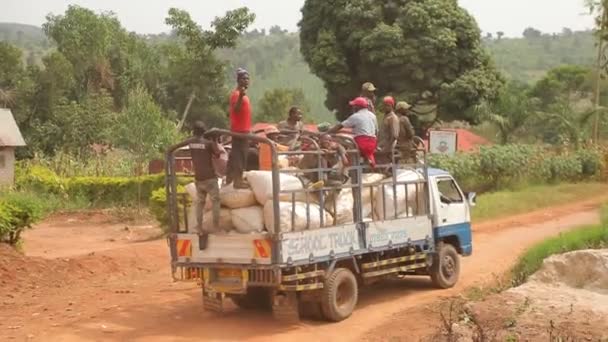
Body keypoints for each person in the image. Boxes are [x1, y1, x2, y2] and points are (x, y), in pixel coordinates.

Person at [167, 121, 220, 248]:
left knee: (200, 203)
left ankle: (199, 227)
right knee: (216, 201)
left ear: (193, 132)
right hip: (210, 178)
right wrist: (214, 141)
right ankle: (216, 226)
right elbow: (218, 154)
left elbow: (173, 148)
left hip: (199, 179)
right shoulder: (208, 143)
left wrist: (169, 152)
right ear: (204, 132)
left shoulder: (190, 142)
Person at [328, 97, 378, 168]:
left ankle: (344, 161)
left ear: (358, 107)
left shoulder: (356, 116)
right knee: (366, 150)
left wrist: (327, 132)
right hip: (372, 144)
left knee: (339, 140)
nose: (353, 107)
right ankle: (369, 160)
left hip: (362, 143)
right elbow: (376, 131)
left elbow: (340, 126)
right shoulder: (373, 116)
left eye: (354, 106)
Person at [227, 68, 252, 189]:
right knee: (239, 156)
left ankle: (235, 178)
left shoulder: (243, 95)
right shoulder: (236, 94)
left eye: (247, 78)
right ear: (238, 80)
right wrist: (241, 96)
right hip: (239, 132)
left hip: (245, 131)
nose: (246, 81)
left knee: (243, 155)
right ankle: (237, 181)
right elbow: (235, 110)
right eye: (243, 78)